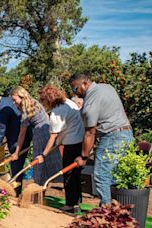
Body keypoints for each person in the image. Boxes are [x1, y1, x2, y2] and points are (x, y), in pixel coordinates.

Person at [69, 73, 133, 206]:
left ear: (85, 84)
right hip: (126, 134)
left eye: (76, 89)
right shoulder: (106, 87)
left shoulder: (91, 102)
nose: (75, 92)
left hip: (112, 137)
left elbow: (90, 133)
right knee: (116, 176)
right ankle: (117, 211)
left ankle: (107, 211)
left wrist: (83, 157)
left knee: (101, 174)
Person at [38, 85, 85, 213]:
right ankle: (76, 203)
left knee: (68, 174)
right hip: (80, 141)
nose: (42, 103)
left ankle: (70, 204)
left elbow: (53, 137)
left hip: (72, 143)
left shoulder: (57, 113)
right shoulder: (68, 102)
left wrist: (43, 155)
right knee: (75, 174)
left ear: (49, 99)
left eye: (43, 100)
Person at [10, 86, 62, 186]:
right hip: (47, 129)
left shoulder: (26, 110)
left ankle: (39, 187)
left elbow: (22, 134)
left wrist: (16, 153)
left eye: (14, 99)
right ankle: (42, 187)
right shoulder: (34, 102)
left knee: (39, 162)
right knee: (45, 160)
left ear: (21, 96)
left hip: (40, 133)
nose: (13, 102)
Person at [0, 89, 32, 195]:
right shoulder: (9, 100)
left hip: (16, 139)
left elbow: (1, 131)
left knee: (16, 165)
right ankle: (16, 190)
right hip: (24, 136)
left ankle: (15, 192)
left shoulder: (2, 108)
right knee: (16, 165)